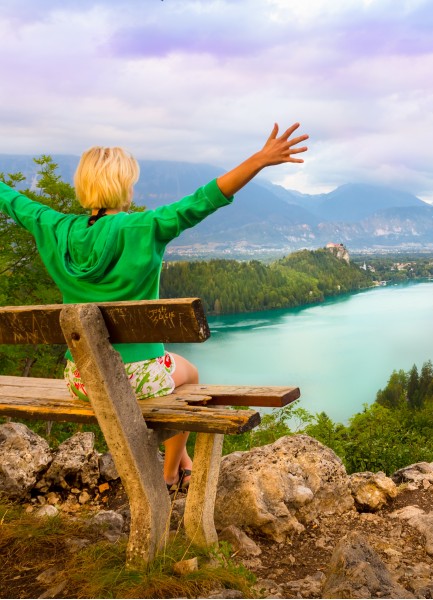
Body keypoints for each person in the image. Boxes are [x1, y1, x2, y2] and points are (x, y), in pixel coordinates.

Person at [0, 123, 309, 490]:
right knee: (190, 377)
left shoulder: (52, 226)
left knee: (177, 381)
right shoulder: (145, 227)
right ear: (123, 185)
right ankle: (169, 473)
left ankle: (183, 463)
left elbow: (13, 200)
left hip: (81, 379)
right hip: (137, 378)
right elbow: (204, 199)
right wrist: (258, 160)